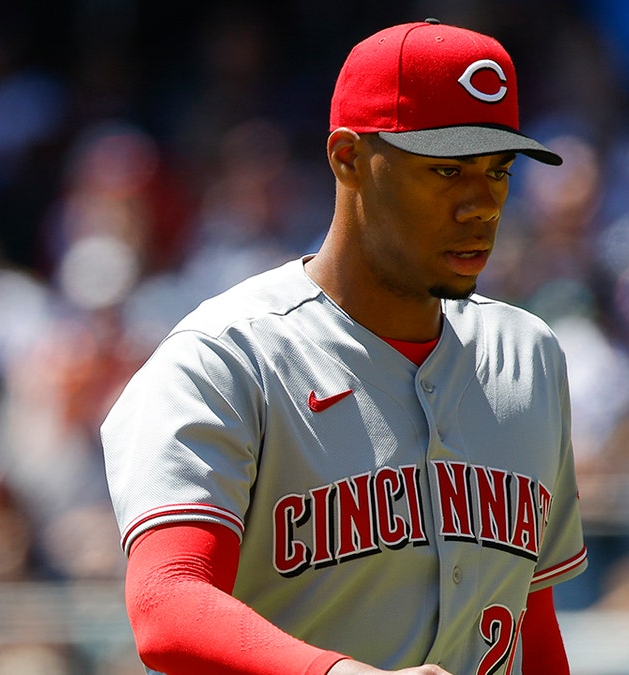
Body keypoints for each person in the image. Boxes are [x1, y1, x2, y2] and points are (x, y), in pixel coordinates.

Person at [101, 19, 588, 675]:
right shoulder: (227, 357)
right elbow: (166, 604)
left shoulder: (527, 357)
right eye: (446, 169)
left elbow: (534, 627)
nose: (481, 205)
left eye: (497, 171)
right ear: (347, 158)